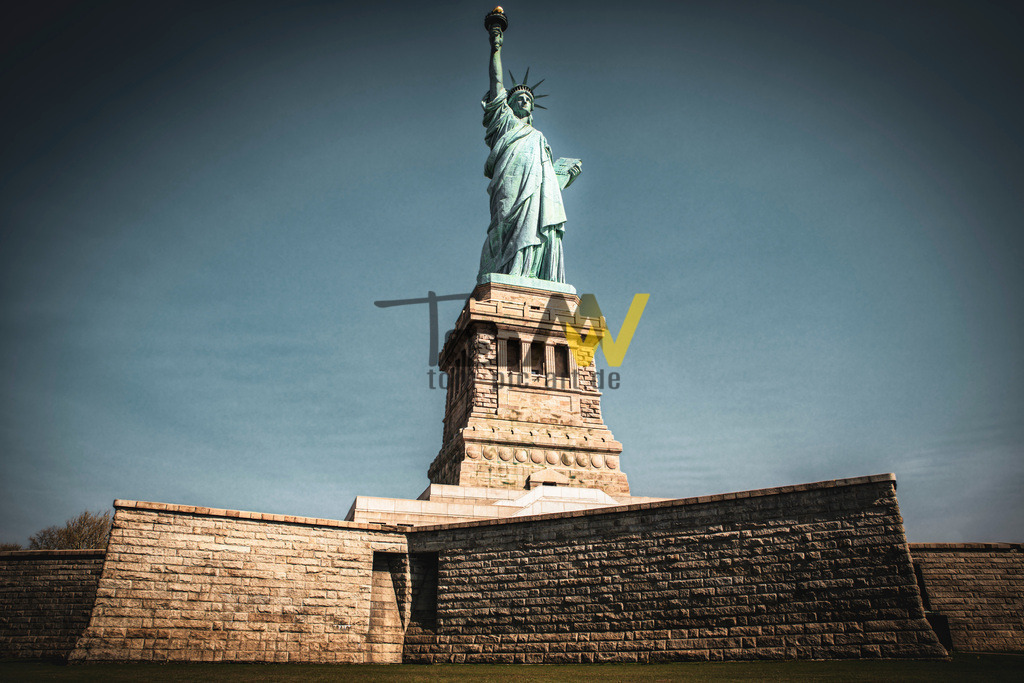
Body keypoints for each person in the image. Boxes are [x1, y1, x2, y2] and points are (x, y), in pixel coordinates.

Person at [479, 25, 582, 284]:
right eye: (519, 98)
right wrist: (496, 47)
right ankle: (505, 272)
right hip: (509, 181)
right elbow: (496, 82)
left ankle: (529, 273)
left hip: (537, 191)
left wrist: (564, 177)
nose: (524, 101)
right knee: (504, 224)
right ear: (508, 105)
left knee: (536, 222)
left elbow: (547, 181)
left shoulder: (539, 138)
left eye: (528, 99)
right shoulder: (503, 122)